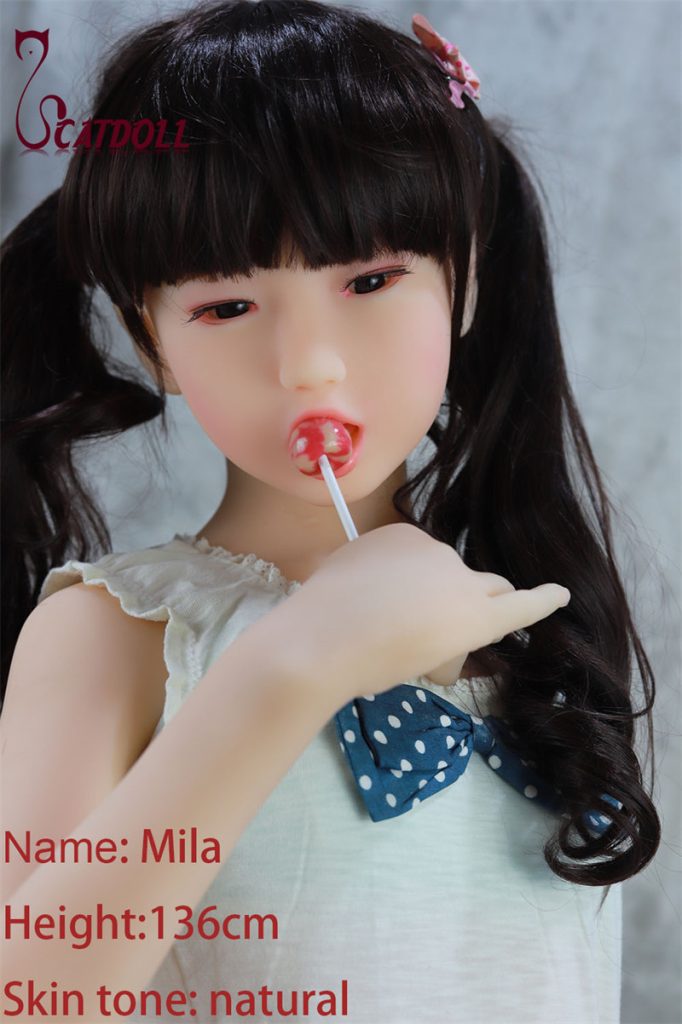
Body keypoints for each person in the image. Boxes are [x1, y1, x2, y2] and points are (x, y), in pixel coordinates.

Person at [0, 1, 661, 1021]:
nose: (308, 364)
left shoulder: (538, 631)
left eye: (372, 278)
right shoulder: (117, 634)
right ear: (151, 339)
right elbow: (30, 995)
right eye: (225, 306)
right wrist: (291, 664)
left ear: (464, 282)